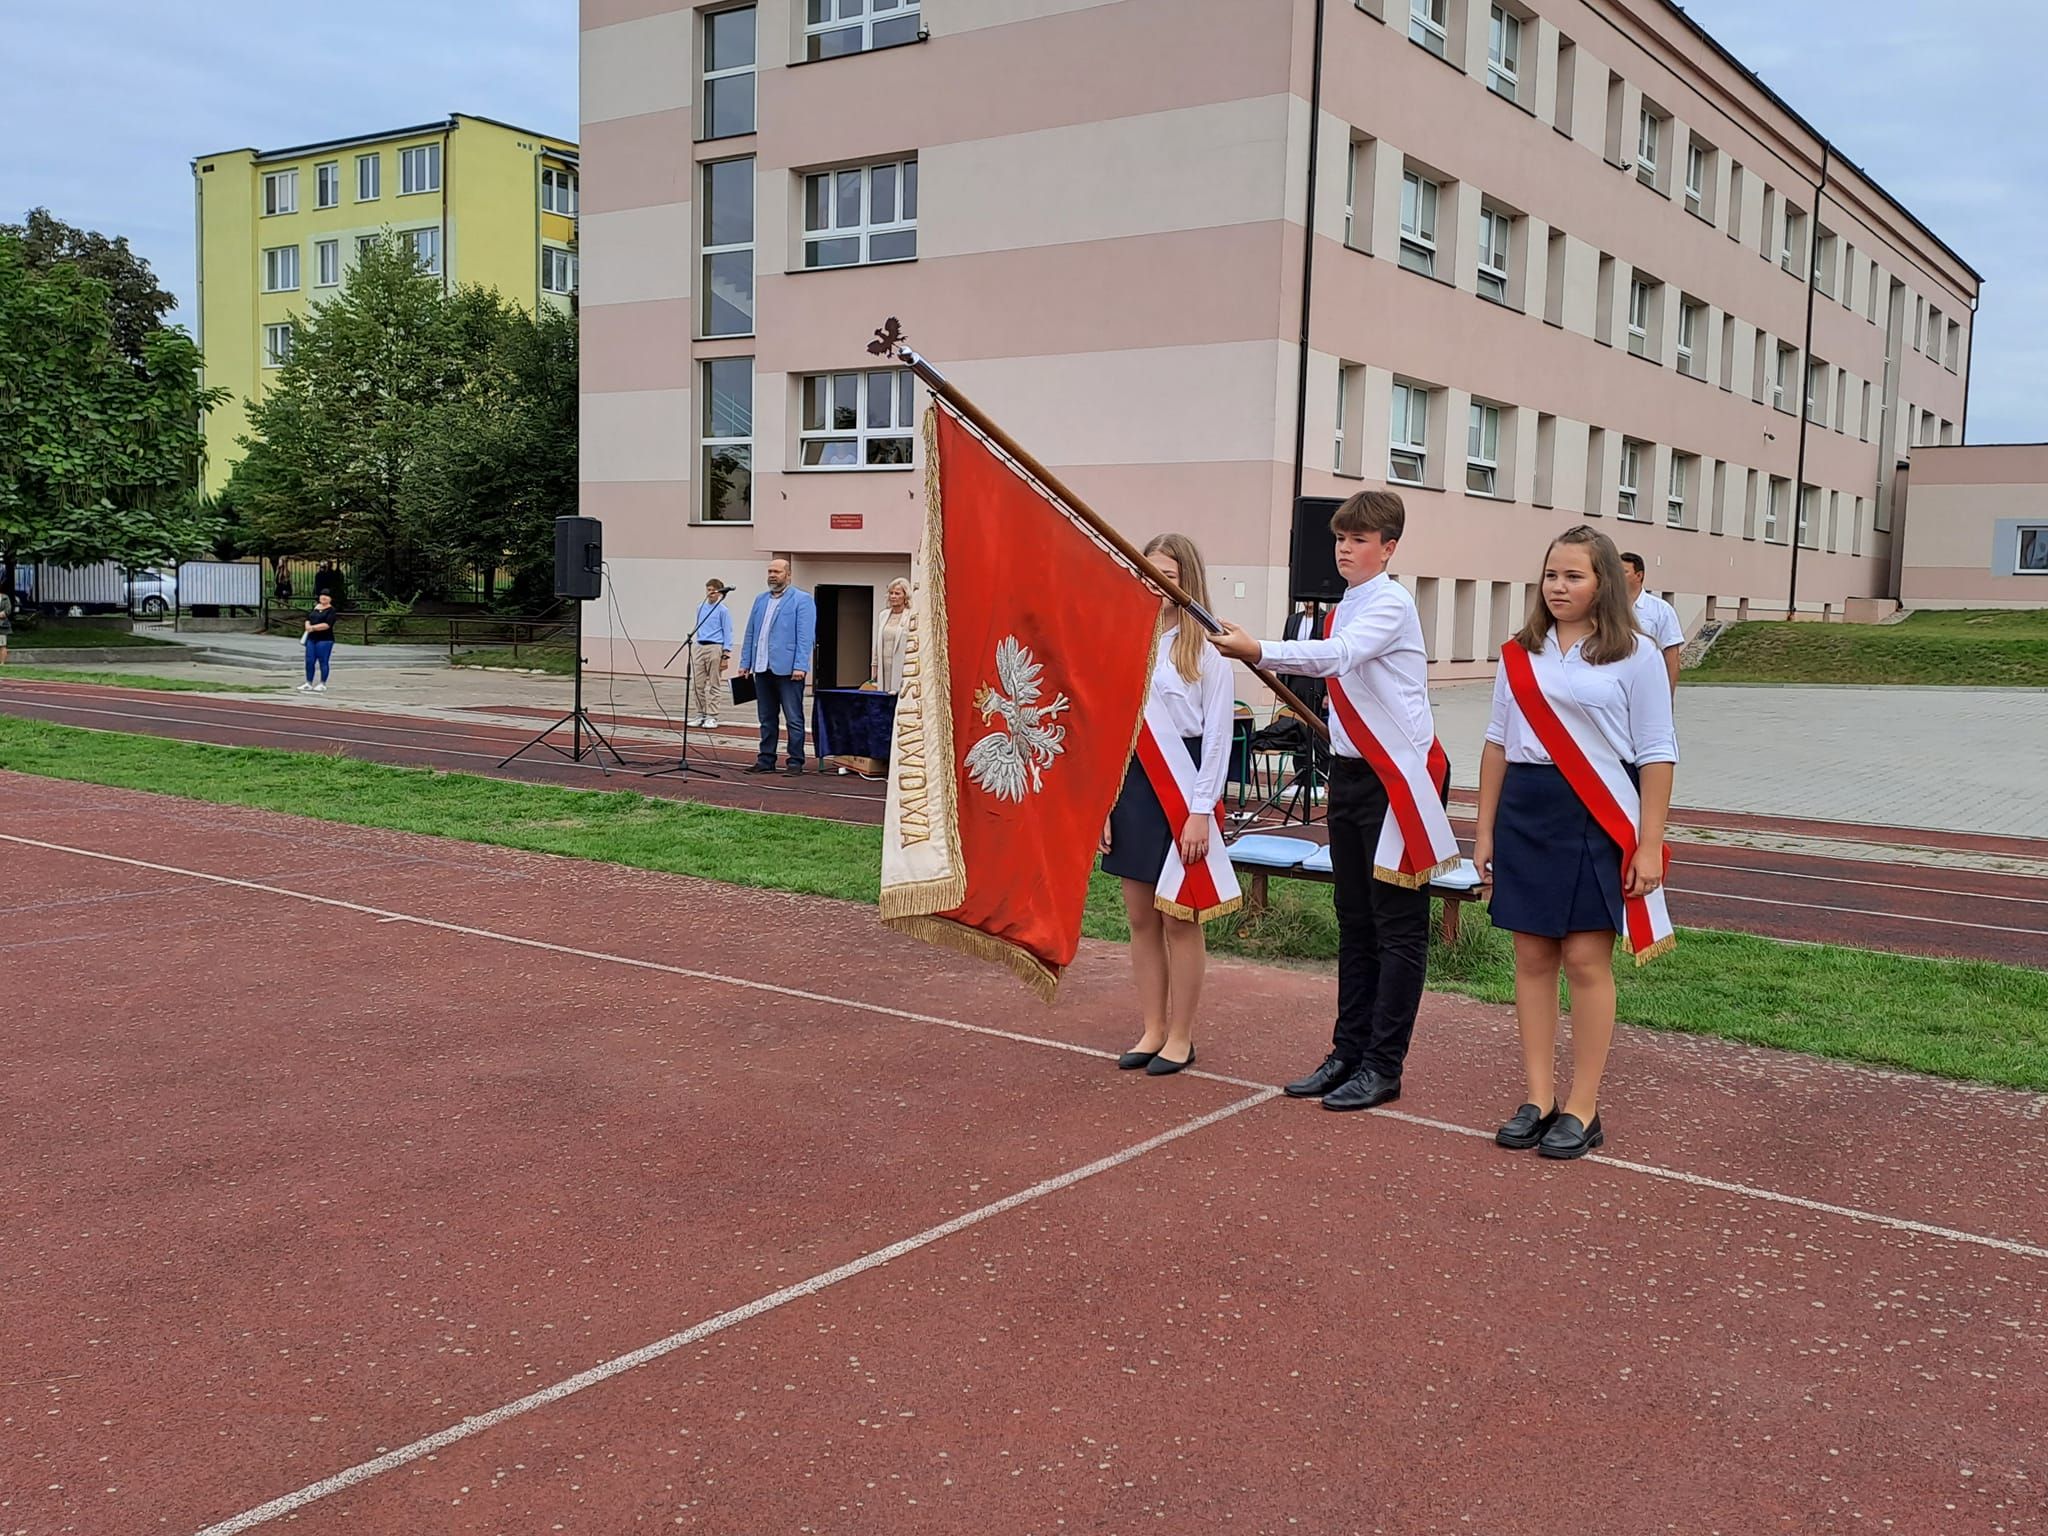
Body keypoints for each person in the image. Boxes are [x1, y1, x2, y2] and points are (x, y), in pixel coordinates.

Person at [1212, 491, 1461, 1112]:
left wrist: (1259, 650)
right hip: (1350, 775)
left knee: (1396, 924)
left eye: (1358, 540)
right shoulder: (1346, 606)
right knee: (1354, 919)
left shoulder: (1391, 604)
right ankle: (1348, 1051)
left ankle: (1383, 1064)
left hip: (1398, 779)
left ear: (1389, 548)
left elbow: (1340, 658)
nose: (1344, 550)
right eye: (1340, 539)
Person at [1473, 526, 1677, 1160]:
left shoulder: (1636, 655)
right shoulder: (1520, 652)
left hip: (1595, 814)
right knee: (1532, 958)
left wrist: (1650, 844)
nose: (1557, 587)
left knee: (1587, 960)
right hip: (1526, 810)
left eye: (1573, 576)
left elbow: (1657, 752)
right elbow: (1497, 743)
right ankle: (1538, 1098)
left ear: (1603, 582)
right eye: (1551, 575)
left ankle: (1583, 1107)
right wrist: (1484, 830)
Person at [1100, 534, 1236, 1077]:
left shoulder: (1209, 651)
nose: (1155, 584)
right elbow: (1112, 729)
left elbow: (1219, 739)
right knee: (1140, 918)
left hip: (1184, 789)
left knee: (1180, 919)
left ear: (1188, 582)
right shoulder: (1123, 641)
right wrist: (1105, 802)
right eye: (1147, 572)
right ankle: (1152, 1028)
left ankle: (1181, 1036)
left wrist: (1200, 811)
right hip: (1133, 787)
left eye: (1168, 576)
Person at [738, 558, 818, 775]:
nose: (772, 575)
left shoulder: (802, 600)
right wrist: (745, 662)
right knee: (766, 718)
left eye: (777, 572)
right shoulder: (760, 599)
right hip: (762, 667)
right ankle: (766, 759)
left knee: (793, 717)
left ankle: (795, 761)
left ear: (788, 575)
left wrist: (800, 665)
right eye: (770, 571)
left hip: (789, 670)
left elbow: (805, 636)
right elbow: (751, 632)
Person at [1620, 552, 1685, 696]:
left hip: (1647, 686)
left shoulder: (1661, 609)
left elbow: (1671, 655)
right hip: (1615, 686)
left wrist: (1668, 695)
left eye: (1624, 572)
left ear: (1639, 575)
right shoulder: (1607, 607)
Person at [689, 579, 735, 728]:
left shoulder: (723, 610)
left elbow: (727, 632)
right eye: (708, 590)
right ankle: (700, 713)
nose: (711, 593)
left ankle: (712, 715)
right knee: (697, 683)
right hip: (700, 645)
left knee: (714, 683)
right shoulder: (700, 607)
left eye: (714, 590)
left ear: (720, 593)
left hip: (715, 646)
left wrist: (725, 654)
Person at [870, 578, 911, 694]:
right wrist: (874, 666)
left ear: (905, 596)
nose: (893, 596)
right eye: (891, 593)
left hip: (902, 667)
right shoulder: (883, 615)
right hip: (884, 667)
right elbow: (878, 642)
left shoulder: (911, 615)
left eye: (897, 593)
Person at [299, 592, 338, 691]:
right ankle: (308, 682)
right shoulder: (315, 608)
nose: (324, 597)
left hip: (325, 639)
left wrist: (313, 628)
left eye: (327, 596)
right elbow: (308, 618)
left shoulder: (331, 611)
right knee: (309, 660)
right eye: (322, 595)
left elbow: (327, 625)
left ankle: (322, 683)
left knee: (323, 661)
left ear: (330, 599)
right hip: (311, 638)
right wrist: (307, 626)